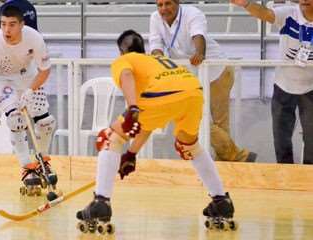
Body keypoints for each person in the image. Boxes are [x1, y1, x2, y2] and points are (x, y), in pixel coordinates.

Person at [76, 30, 236, 230]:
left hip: (161, 94)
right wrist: (131, 153)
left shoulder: (124, 61)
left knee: (109, 138)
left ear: (121, 52)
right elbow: (149, 122)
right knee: (189, 146)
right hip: (193, 91)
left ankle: (101, 201)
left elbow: (126, 76)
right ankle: (221, 201)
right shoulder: (156, 62)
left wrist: (132, 107)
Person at [148, 0, 256, 162]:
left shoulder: (193, 14)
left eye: (168, 4)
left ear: (178, 3)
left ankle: (225, 164)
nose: (163, 9)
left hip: (217, 72)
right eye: (160, 5)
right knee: (196, 118)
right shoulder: (155, 18)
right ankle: (238, 156)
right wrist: (158, 59)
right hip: (192, 76)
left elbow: (198, 35)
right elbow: (155, 44)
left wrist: (200, 52)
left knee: (219, 122)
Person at [0, 6, 58, 194]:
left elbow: (45, 70)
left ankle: (42, 161)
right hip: (2, 80)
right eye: (3, 24)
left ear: (22, 25)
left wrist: (31, 90)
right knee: (16, 121)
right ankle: (27, 168)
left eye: (12, 24)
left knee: (46, 123)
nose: (7, 30)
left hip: (28, 77)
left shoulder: (34, 38)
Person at [231, 0, 313, 164]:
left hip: (311, 88)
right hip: (283, 86)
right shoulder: (289, 13)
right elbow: (266, 14)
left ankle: (308, 176)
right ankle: (284, 173)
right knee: (281, 138)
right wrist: (246, 4)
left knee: (311, 138)